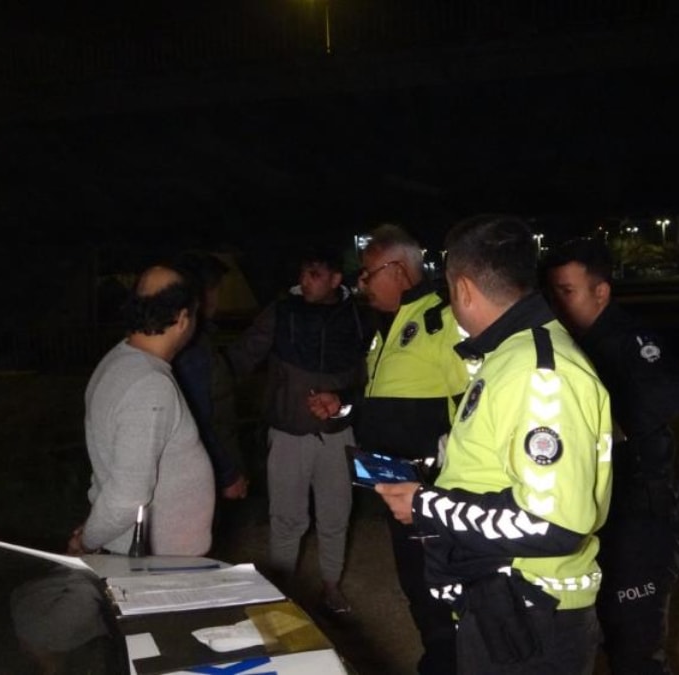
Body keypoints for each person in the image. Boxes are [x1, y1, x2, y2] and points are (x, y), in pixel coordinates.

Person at [374, 215, 614, 675]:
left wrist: (426, 505)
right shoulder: (509, 355)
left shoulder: (538, 371)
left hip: (533, 610)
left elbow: (554, 523)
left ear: (463, 288)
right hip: (502, 601)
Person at [312, 224, 471, 674]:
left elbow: (474, 407)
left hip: (431, 490)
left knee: (440, 593)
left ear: (398, 269)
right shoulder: (388, 327)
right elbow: (383, 399)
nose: (361, 283)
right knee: (416, 587)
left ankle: (448, 665)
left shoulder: (441, 321)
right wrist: (343, 405)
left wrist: (444, 481)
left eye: (368, 273)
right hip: (395, 485)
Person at [540, 237, 679, 675]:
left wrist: (600, 426)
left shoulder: (631, 339)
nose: (558, 303)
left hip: (639, 518)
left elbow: (674, 393)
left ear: (601, 292)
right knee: (591, 641)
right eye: (552, 293)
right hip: (595, 516)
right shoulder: (565, 343)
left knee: (636, 653)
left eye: (567, 291)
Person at [225, 246, 372, 614]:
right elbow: (241, 357)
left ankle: (331, 586)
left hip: (338, 435)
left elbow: (369, 379)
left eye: (315, 274)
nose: (304, 281)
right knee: (286, 519)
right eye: (303, 272)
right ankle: (282, 589)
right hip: (289, 434)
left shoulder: (358, 317)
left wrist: (343, 400)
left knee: (336, 516)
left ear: (335, 279)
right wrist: (204, 381)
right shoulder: (281, 312)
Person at [67, 265, 215, 557]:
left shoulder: (119, 359)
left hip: (149, 556)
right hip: (155, 563)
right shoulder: (149, 385)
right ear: (182, 319)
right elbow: (127, 496)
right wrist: (87, 542)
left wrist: (94, 528)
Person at [172, 252, 249, 505]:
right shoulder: (193, 347)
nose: (218, 299)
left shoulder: (200, 339)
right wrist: (228, 473)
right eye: (216, 289)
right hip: (205, 470)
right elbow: (200, 420)